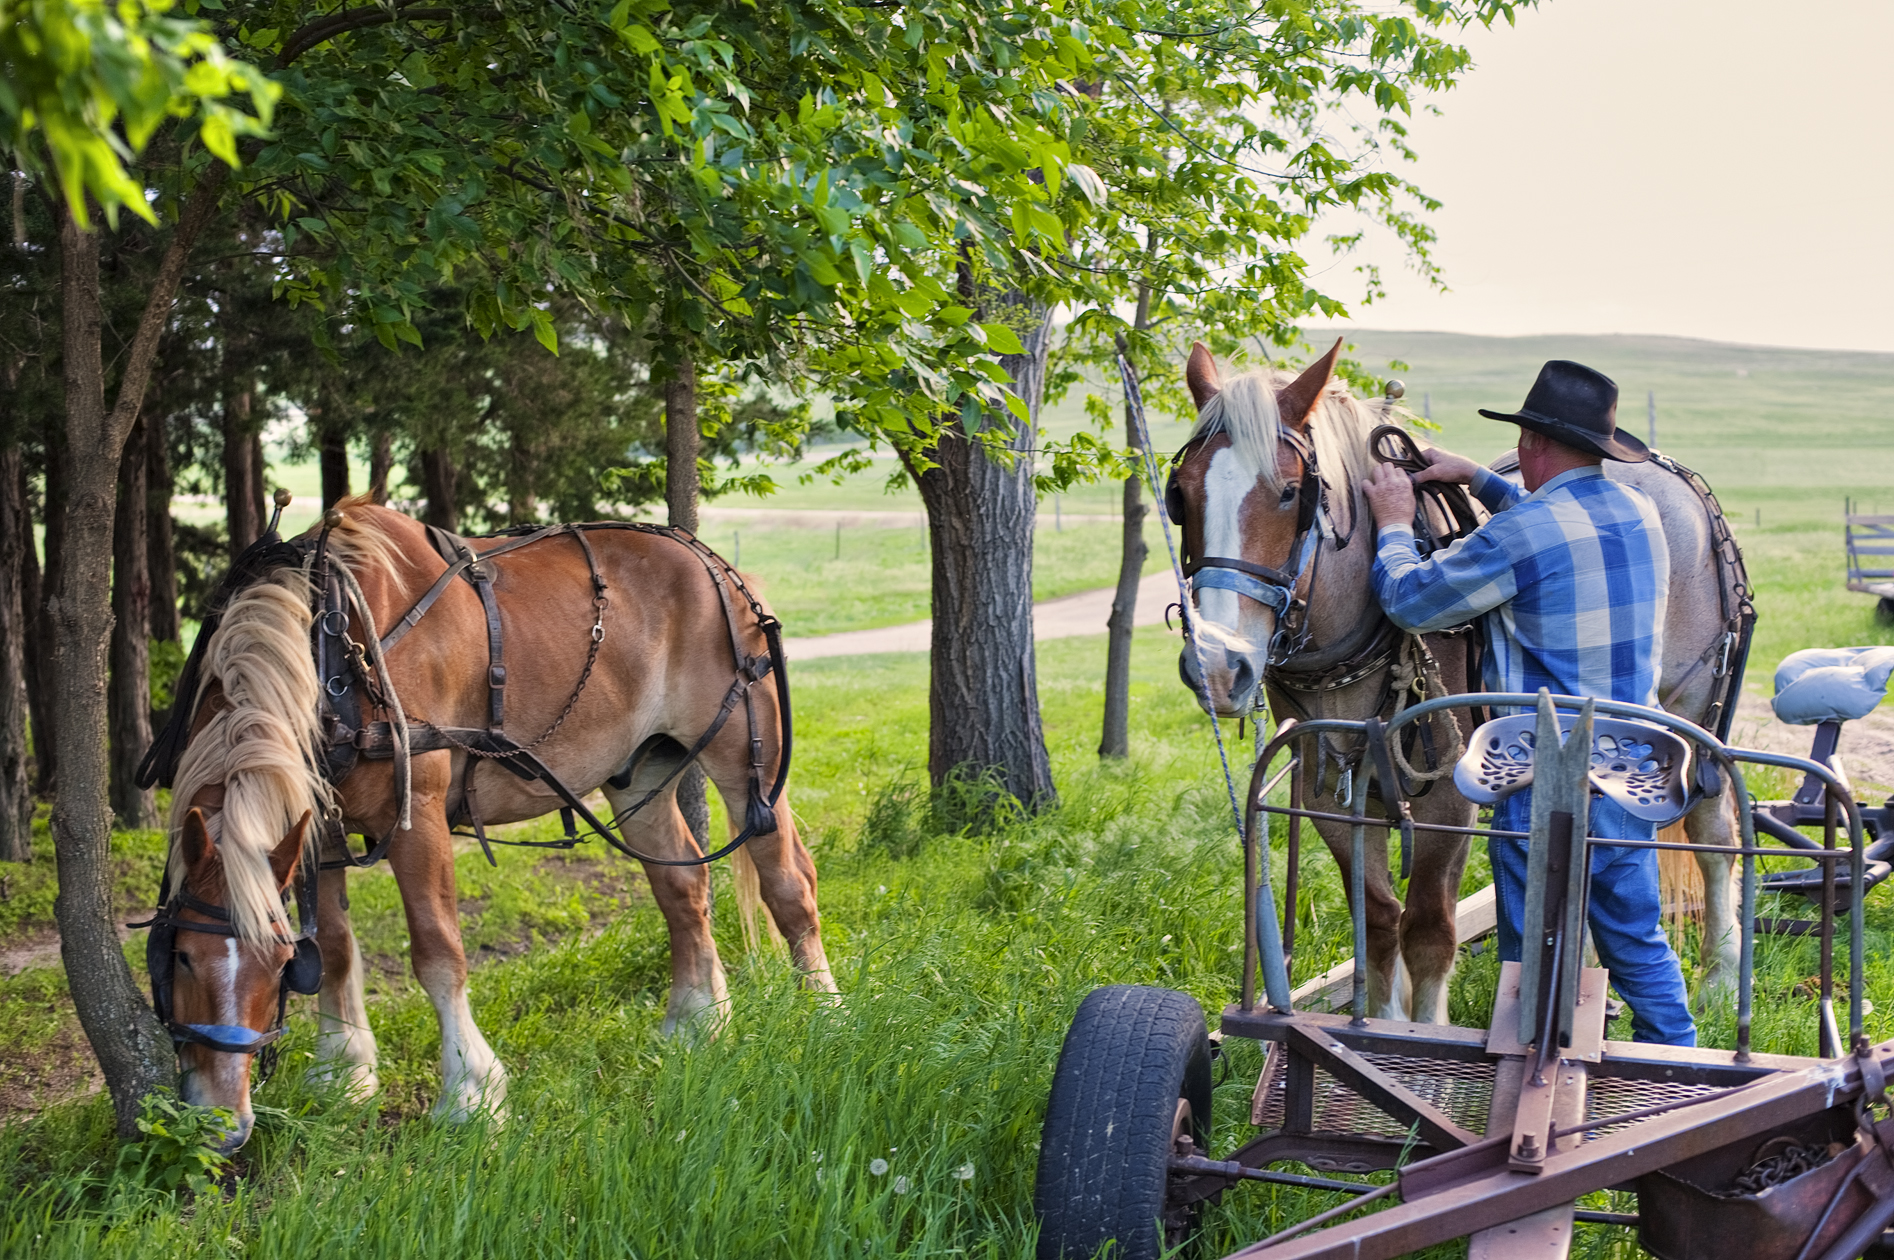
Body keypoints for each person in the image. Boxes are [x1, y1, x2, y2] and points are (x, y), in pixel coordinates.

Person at [1360, 359, 1694, 1047]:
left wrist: (1393, 524)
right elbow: (1555, 532)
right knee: (1637, 940)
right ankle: (1680, 1066)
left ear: (1532, 443)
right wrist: (1478, 480)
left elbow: (1411, 602)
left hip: (1551, 779)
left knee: (1535, 953)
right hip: (1634, 766)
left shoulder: (1525, 533)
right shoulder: (1636, 511)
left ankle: (1536, 1066)